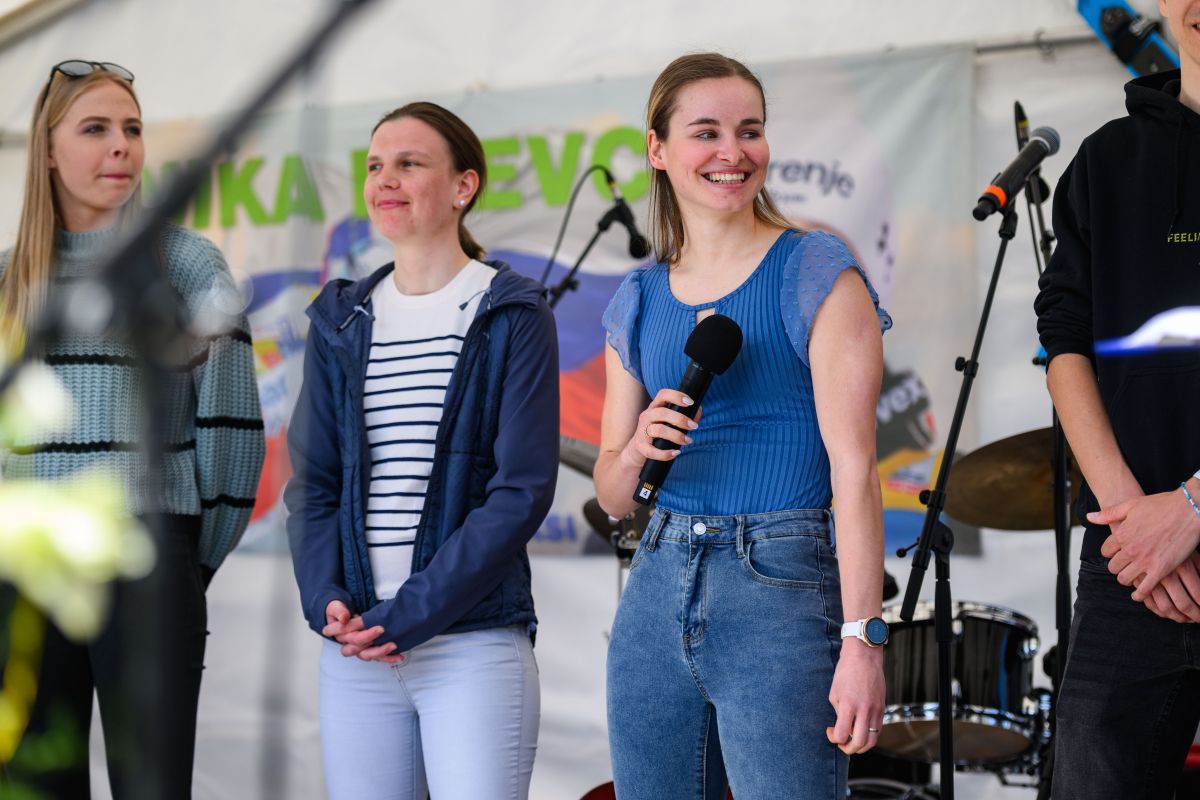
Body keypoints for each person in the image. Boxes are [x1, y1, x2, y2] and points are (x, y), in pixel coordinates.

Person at [594, 53, 891, 800]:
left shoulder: (815, 268)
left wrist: (863, 640)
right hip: (656, 576)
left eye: (749, 130)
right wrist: (634, 451)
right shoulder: (637, 296)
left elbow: (856, 471)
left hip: (779, 580)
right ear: (658, 150)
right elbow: (612, 496)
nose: (733, 151)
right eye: (707, 132)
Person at [0, 61, 265, 797]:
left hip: (148, 558)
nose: (121, 145)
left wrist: (179, 568)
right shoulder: (6, 283)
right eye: (95, 128)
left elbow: (232, 433)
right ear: (47, 151)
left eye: (132, 128)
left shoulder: (188, 267)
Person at [285, 101, 559, 800]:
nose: (386, 180)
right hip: (357, 649)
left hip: (473, 645)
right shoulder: (341, 318)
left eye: (409, 164)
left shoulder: (511, 310)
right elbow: (313, 484)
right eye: (376, 165)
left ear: (464, 186)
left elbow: (521, 490)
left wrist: (408, 614)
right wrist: (325, 599)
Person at [1034, 1, 1200, 796]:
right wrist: (1133, 520)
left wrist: (1192, 508)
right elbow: (1063, 340)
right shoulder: (1106, 160)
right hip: (1131, 559)